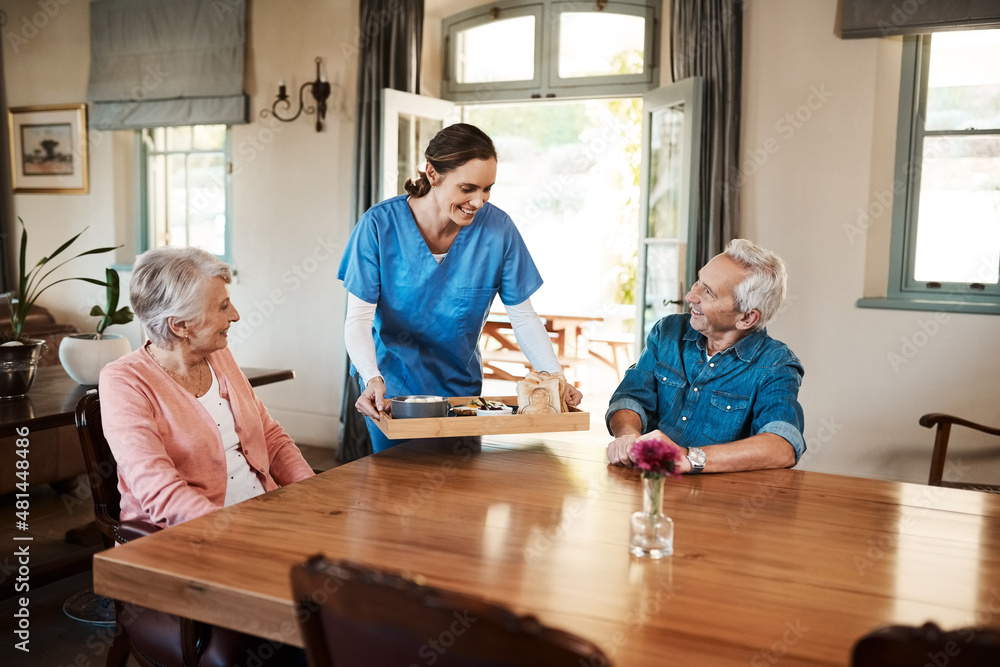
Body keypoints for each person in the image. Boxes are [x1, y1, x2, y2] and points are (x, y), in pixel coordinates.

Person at [338, 123, 582, 452]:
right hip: (393, 393)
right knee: (395, 491)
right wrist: (370, 377)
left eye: (487, 189)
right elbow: (357, 320)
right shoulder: (379, 226)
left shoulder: (498, 231)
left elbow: (522, 316)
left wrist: (555, 376)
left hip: (463, 395)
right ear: (432, 173)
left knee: (461, 495)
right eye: (468, 188)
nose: (478, 201)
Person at [100, 247, 315, 528]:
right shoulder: (124, 381)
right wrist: (232, 531)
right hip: (192, 537)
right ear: (180, 325)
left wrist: (314, 495)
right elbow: (159, 491)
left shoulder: (218, 354)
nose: (235, 315)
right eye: (223, 306)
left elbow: (270, 439)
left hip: (263, 518)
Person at [606, 239, 805, 474]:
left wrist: (689, 458)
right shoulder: (668, 332)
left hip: (721, 498)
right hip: (651, 481)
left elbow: (782, 446)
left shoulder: (776, 364)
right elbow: (630, 397)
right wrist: (628, 435)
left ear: (746, 318)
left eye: (708, 292)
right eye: (699, 281)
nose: (691, 295)